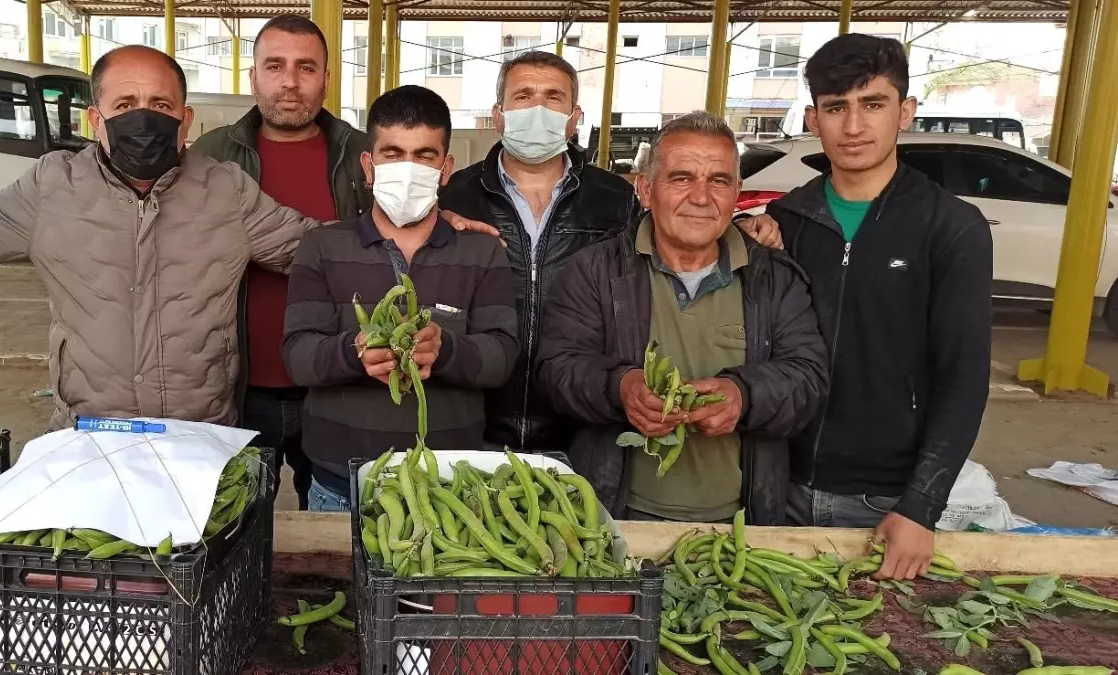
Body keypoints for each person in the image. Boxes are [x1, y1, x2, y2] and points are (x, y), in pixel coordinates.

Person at [740, 35, 992, 579]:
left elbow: (964, 379)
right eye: (836, 108)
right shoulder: (784, 220)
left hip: (885, 502)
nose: (853, 126)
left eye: (872, 104)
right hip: (776, 486)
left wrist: (921, 506)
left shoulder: (950, 227)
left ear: (905, 112)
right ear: (813, 118)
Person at [535, 111, 827, 525]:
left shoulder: (773, 277)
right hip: (619, 516)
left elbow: (808, 378)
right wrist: (621, 387)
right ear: (646, 189)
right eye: (682, 178)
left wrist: (744, 395)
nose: (702, 197)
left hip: (740, 523)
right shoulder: (596, 272)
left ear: (736, 192)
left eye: (719, 181)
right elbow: (557, 369)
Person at [281, 85, 519, 511]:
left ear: (446, 168)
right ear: (368, 166)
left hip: (449, 484)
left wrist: (443, 350)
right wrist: (354, 351)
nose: (408, 168)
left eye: (424, 156)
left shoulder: (482, 253)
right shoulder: (321, 247)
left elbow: (502, 357)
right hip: (341, 481)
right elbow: (298, 356)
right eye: (392, 153)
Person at [189, 16, 372, 508]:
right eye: (275, 66)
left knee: (338, 527)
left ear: (326, 79)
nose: (290, 82)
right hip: (238, 389)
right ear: (253, 77)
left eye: (305, 67)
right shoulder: (209, 157)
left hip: (336, 385)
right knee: (236, 525)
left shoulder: (365, 156)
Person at [437, 51, 641, 454]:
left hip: (580, 425)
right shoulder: (454, 196)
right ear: (499, 116)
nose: (537, 109)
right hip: (475, 420)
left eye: (553, 97)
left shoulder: (617, 200)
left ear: (574, 116)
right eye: (523, 95)